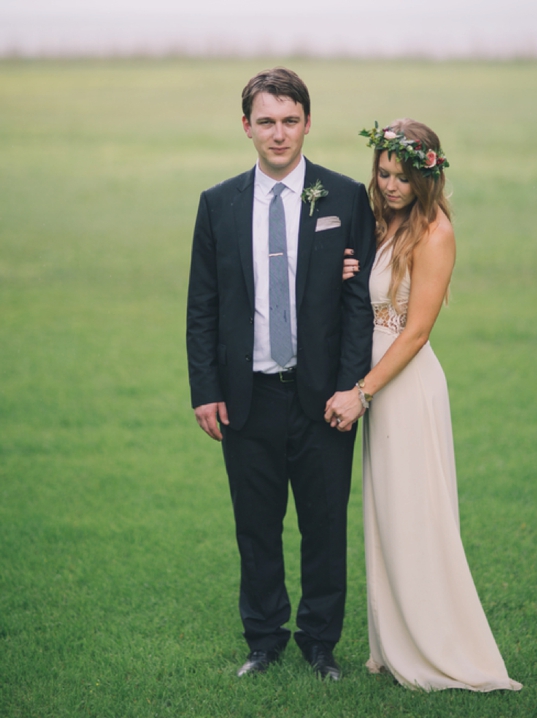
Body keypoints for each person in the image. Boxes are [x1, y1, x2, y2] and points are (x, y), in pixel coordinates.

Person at [186, 68, 376, 680]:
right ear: (246, 127)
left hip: (323, 397)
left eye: (289, 120)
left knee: (325, 526)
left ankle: (320, 643)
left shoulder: (343, 197)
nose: (278, 133)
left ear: (307, 123)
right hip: (248, 398)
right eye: (265, 121)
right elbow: (203, 305)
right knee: (256, 527)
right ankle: (263, 640)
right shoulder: (217, 204)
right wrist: (206, 391)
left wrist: (351, 387)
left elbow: (358, 306)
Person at [325, 119, 522, 693]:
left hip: (403, 383)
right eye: (383, 173)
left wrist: (362, 393)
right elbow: (361, 292)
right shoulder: (380, 221)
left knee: (416, 512)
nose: (389, 185)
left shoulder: (435, 231)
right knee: (386, 513)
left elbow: (414, 334)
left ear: (425, 176)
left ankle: (437, 645)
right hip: (375, 382)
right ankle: (394, 643)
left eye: (402, 177)